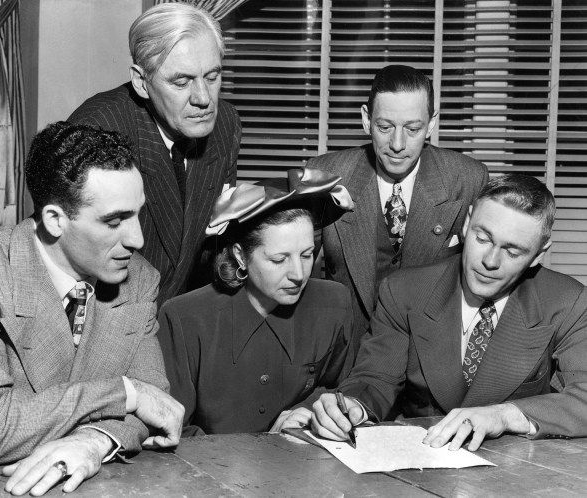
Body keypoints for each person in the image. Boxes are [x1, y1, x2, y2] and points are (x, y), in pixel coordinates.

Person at [0, 122, 185, 496]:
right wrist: (124, 394)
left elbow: (156, 407)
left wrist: (94, 441)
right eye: (114, 221)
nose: (137, 239)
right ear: (55, 220)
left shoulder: (140, 280)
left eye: (137, 215)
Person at [311, 174, 587, 451]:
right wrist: (352, 407)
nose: (490, 261)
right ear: (467, 224)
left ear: (539, 254)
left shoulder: (568, 301)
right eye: (483, 238)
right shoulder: (404, 290)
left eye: (513, 252)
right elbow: (376, 378)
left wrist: (504, 415)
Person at [157, 168, 356, 435]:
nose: (298, 274)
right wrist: (259, 446)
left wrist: (309, 412)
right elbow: (172, 430)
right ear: (240, 256)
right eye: (279, 260)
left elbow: (343, 388)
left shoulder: (334, 303)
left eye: (307, 255)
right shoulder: (183, 319)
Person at [307, 64, 488, 352]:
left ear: (431, 124)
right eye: (385, 127)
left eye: (413, 129)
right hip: (345, 355)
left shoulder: (467, 179)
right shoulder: (326, 176)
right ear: (366, 120)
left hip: (429, 358)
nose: (397, 144)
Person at [69, 3, 241, 306]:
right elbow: (77, 260)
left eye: (212, 77)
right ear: (141, 81)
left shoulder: (225, 124)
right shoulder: (98, 128)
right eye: (182, 82)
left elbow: (208, 246)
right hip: (105, 317)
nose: (204, 98)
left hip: (179, 316)